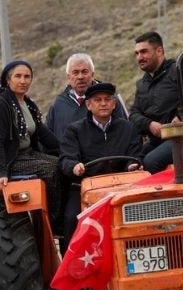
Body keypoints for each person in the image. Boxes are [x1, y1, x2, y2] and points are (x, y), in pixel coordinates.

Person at [58, 82, 143, 252]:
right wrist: (75, 167)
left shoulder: (127, 128)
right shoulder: (75, 130)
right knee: (71, 218)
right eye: (98, 100)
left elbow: (136, 155)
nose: (103, 103)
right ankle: (73, 261)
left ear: (114, 104)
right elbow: (66, 159)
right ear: (88, 105)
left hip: (122, 186)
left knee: (143, 213)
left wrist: (132, 165)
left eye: (107, 99)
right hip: (85, 187)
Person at [0, 60, 63, 228]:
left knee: (64, 164)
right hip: (10, 160)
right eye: (18, 76)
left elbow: (43, 133)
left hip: (28, 154)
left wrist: (68, 152)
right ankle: (55, 223)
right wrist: (1, 172)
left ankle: (66, 214)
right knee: (53, 169)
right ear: (8, 80)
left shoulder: (27, 103)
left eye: (27, 77)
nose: (23, 81)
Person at [129, 31, 183, 173]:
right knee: (130, 162)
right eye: (137, 53)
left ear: (159, 51)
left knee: (150, 162)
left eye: (144, 52)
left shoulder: (178, 71)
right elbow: (134, 114)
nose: (139, 57)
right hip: (158, 142)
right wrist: (149, 124)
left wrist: (182, 115)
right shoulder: (142, 84)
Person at [46, 53, 127, 142]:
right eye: (75, 72)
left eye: (84, 72)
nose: (80, 77)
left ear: (92, 75)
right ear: (68, 77)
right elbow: (48, 140)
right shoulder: (58, 105)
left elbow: (124, 133)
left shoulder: (109, 100)